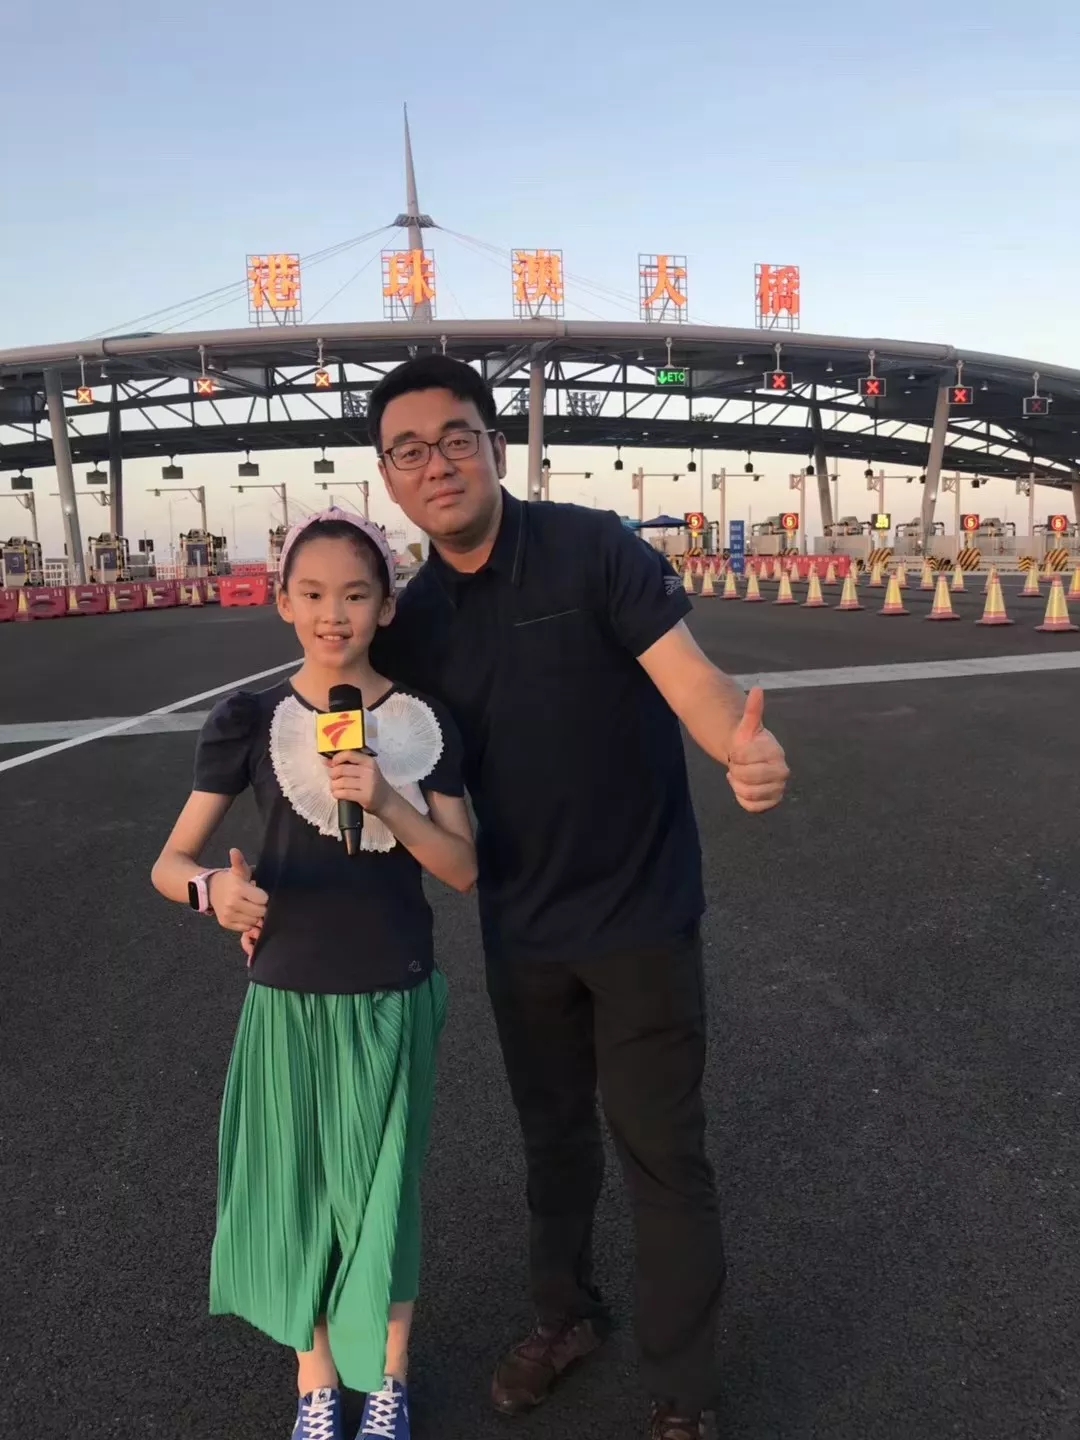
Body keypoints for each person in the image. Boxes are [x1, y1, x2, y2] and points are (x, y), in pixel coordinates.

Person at [364, 355, 790, 1440]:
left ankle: (683, 1392)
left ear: (496, 448)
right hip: (521, 925)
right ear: (391, 479)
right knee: (552, 1142)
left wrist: (741, 751)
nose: (436, 464)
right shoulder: (411, 625)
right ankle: (565, 1318)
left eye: (455, 438)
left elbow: (693, 681)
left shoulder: (593, 548)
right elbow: (358, 759)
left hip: (641, 914)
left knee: (661, 1153)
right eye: (409, 451)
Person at [151, 509, 476, 1440]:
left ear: (386, 607)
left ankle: (389, 1381)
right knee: (300, 1200)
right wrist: (214, 891)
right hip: (286, 995)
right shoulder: (250, 720)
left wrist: (388, 801)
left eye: (357, 595)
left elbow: (462, 867)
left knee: (383, 1201)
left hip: (393, 987)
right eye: (315, 593)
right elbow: (170, 862)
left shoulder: (422, 721)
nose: (335, 614)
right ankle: (317, 1384)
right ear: (284, 601)